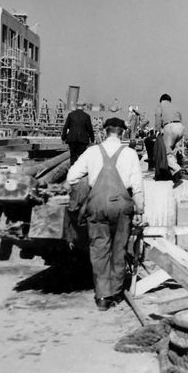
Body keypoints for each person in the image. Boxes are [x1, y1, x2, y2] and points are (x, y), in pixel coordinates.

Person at [66, 117, 144, 311]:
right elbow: (138, 186)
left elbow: (71, 177)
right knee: (119, 249)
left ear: (104, 132)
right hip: (121, 207)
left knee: (99, 249)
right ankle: (116, 293)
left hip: (97, 205)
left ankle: (102, 297)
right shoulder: (130, 154)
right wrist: (140, 210)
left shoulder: (91, 152)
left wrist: (88, 184)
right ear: (123, 133)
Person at [154, 93, 185, 181]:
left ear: (161, 100)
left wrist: (158, 129)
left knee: (166, 151)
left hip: (170, 127)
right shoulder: (175, 106)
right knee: (175, 150)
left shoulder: (160, 105)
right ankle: (174, 173)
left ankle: (177, 170)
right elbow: (180, 117)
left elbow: (158, 118)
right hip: (180, 127)